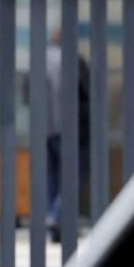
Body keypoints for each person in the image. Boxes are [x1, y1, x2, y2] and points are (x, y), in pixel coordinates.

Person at [46, 28, 91, 243]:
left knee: (51, 179)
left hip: (45, 129)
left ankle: (54, 228)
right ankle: (56, 216)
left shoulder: (40, 59)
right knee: (74, 176)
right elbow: (88, 92)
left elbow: (28, 94)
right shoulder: (74, 60)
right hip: (72, 129)